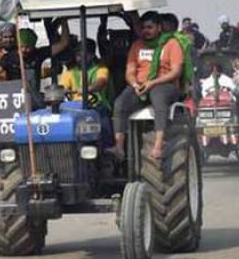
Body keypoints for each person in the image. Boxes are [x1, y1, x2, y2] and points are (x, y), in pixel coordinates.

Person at [113, 11, 184, 160]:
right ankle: (119, 147)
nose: (146, 31)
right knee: (120, 103)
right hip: (140, 85)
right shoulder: (137, 46)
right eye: (143, 27)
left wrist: (152, 83)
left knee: (158, 97)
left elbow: (176, 72)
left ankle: (158, 145)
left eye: (150, 27)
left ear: (159, 27)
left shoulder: (171, 44)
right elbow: (130, 72)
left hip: (164, 84)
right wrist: (134, 84)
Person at [0, 21, 70, 104]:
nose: (24, 50)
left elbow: (64, 43)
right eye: (21, 47)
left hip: (34, 99)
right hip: (15, 100)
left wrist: (64, 22)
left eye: (28, 47)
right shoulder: (9, 57)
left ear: (33, 46)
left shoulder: (38, 54)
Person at [60, 39, 111, 109]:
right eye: (78, 55)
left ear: (92, 55)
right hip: (75, 107)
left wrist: (87, 89)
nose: (81, 58)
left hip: (97, 106)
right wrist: (63, 91)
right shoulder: (70, 72)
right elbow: (62, 87)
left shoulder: (101, 69)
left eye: (85, 55)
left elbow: (100, 83)